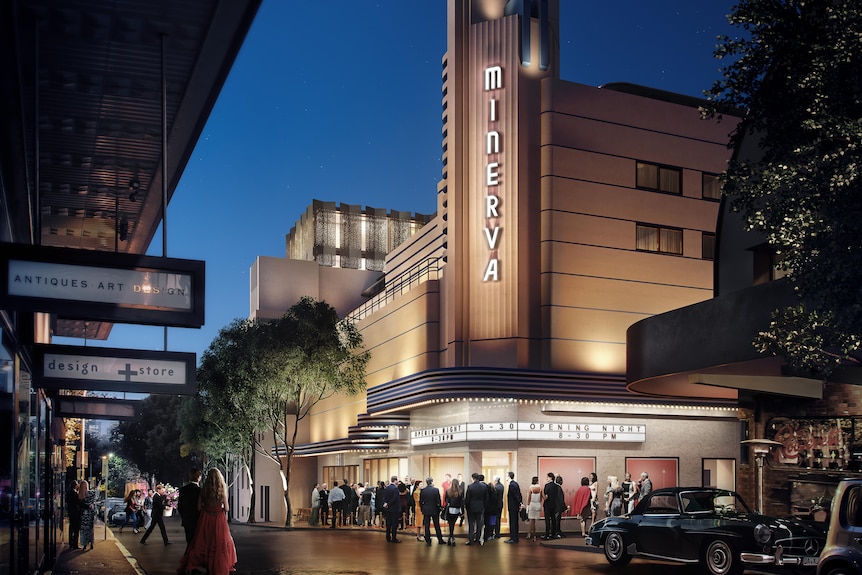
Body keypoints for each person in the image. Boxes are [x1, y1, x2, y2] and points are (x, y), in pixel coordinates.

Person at [177, 468, 237, 575]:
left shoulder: (203, 490)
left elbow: (199, 507)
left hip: (206, 518)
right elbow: (227, 508)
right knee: (219, 543)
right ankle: (218, 565)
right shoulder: (222, 489)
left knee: (204, 541)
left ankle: (199, 564)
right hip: (219, 518)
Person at [178, 468, 202, 544]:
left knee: (189, 540)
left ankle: (188, 555)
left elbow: (180, 506)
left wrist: (184, 516)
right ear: (198, 477)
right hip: (197, 520)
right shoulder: (200, 491)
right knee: (197, 541)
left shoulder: (183, 490)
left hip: (187, 519)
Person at [419, 477, 445, 545]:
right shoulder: (435, 490)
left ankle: (428, 540)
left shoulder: (423, 490)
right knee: (436, 525)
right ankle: (440, 539)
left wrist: (422, 509)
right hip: (434, 509)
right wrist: (439, 508)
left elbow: (421, 501)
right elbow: (438, 501)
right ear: (432, 482)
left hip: (426, 510)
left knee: (427, 526)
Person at [464, 472, 488, 545]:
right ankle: (478, 540)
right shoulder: (484, 487)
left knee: (471, 524)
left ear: (473, 478)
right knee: (479, 524)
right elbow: (486, 499)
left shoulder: (470, 487)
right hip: (480, 508)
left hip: (471, 508)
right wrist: (484, 507)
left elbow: (467, 499)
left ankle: (471, 541)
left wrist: (467, 507)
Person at [504, 471, 523, 544]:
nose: (505, 477)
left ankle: (513, 538)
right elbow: (519, 494)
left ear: (509, 476)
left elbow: (516, 495)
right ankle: (514, 537)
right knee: (514, 522)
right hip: (515, 506)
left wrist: (520, 503)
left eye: (506, 475)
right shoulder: (515, 484)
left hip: (513, 507)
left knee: (513, 522)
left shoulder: (511, 485)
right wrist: (520, 503)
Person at [382, 475, 402, 543]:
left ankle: (388, 537)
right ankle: (394, 538)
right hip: (394, 509)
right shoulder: (395, 489)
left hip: (388, 509)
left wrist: (385, 503)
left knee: (388, 523)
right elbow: (395, 499)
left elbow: (384, 497)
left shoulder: (387, 488)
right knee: (394, 524)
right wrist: (389, 504)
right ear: (395, 481)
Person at [78, 480, 97, 551]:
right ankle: (91, 543)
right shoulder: (91, 493)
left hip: (83, 514)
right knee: (91, 529)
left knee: (84, 530)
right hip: (90, 514)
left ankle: (84, 545)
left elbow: (80, 504)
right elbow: (94, 500)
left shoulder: (80, 495)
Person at [443, 480, 463, 546]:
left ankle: (450, 537)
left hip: (449, 509)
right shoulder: (460, 492)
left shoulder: (448, 491)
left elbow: (446, 500)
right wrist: (462, 511)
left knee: (450, 523)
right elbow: (461, 502)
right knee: (453, 523)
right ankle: (452, 537)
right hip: (456, 509)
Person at [541, 472, 558, 540]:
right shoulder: (556, 486)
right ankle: (553, 534)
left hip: (547, 504)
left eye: (547, 477)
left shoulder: (547, 485)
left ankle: (547, 534)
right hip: (554, 504)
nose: (546, 478)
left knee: (547, 520)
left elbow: (545, 494)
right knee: (553, 519)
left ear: (550, 478)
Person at [66, 480, 81, 550]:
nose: (78, 485)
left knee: (71, 527)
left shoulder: (69, 492)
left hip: (70, 512)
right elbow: (78, 502)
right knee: (76, 529)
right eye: (77, 484)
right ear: (75, 485)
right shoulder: (74, 493)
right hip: (75, 513)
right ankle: (75, 543)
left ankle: (70, 542)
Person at [488, 475, 504, 540]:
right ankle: (497, 533)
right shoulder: (502, 486)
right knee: (498, 519)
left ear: (495, 480)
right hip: (500, 505)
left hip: (495, 506)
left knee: (493, 520)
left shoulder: (496, 487)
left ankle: (492, 533)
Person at [527, 476, 542, 541]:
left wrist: (527, 507)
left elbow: (529, 498)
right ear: (537, 481)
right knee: (533, 521)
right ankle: (530, 533)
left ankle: (534, 535)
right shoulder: (540, 488)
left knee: (532, 521)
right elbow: (544, 497)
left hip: (532, 505)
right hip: (538, 505)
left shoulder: (530, 488)